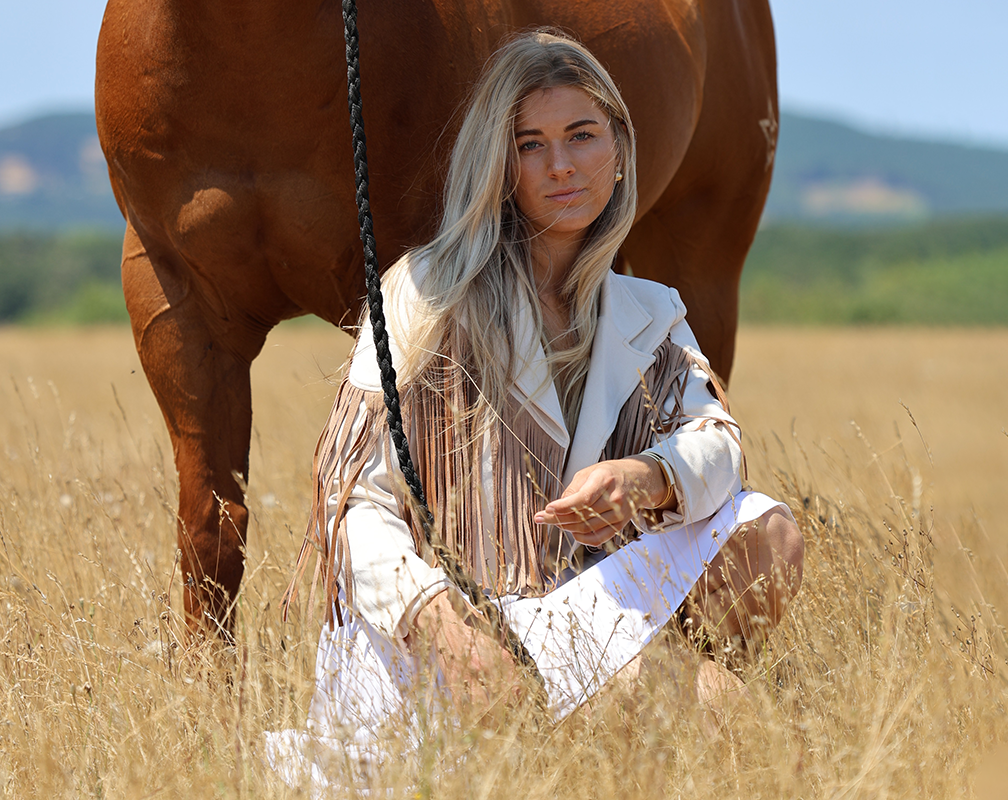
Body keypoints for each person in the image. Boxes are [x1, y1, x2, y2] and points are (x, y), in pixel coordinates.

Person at [276, 29, 804, 761]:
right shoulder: (423, 294)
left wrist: (644, 476)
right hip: (447, 635)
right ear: (499, 164)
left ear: (618, 150)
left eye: (581, 136)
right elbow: (348, 499)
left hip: (576, 616)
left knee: (767, 535)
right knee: (716, 712)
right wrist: (443, 629)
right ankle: (623, 716)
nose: (560, 166)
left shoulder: (649, 312)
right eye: (530, 144)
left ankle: (614, 716)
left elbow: (719, 446)